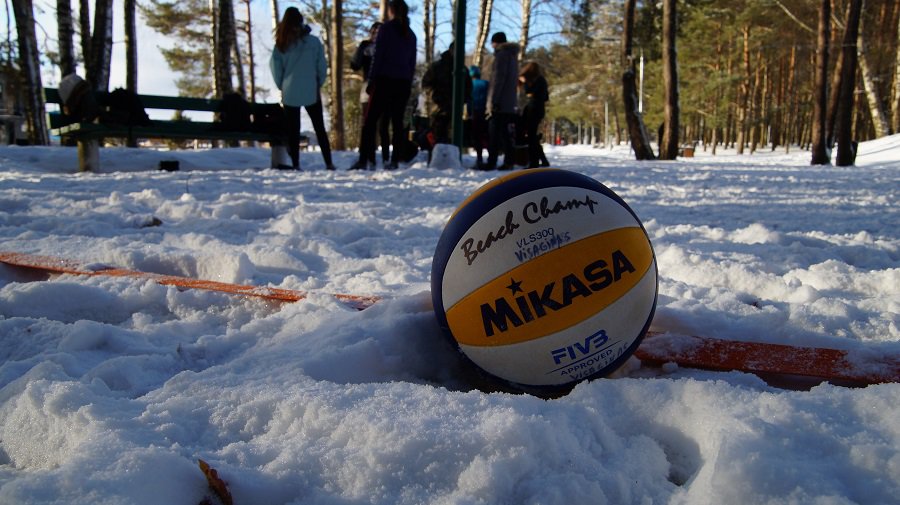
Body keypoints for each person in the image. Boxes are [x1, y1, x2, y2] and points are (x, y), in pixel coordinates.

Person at [350, 0, 417, 170]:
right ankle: (394, 160)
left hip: (384, 81)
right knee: (397, 122)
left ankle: (363, 159)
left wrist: (372, 80)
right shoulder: (410, 34)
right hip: (402, 83)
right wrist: (408, 84)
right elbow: (411, 63)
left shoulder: (386, 30)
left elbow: (378, 56)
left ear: (392, 11)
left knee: (370, 121)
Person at [270, 7, 335, 170]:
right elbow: (322, 65)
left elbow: (275, 68)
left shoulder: (281, 44)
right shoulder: (313, 42)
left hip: (290, 90)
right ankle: (328, 162)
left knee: (293, 130)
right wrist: (318, 82)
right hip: (311, 89)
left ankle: (296, 164)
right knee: (319, 127)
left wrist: (282, 85)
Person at [350, 21, 390, 166]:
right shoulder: (366, 47)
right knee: (368, 124)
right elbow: (355, 65)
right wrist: (361, 50)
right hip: (368, 88)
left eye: (378, 33)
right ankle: (369, 157)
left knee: (383, 125)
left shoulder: (387, 47)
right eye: (373, 32)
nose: (375, 35)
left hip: (385, 88)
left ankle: (386, 157)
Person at [481, 32, 519, 170]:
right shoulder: (512, 56)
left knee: (494, 133)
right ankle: (509, 160)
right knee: (505, 133)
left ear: (495, 43)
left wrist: (493, 101)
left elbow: (498, 79)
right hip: (509, 102)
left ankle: (492, 161)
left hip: (500, 103)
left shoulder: (501, 55)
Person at [422, 44, 472, 149]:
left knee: (451, 137)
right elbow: (426, 85)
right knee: (438, 135)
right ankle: (437, 159)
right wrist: (435, 98)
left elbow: (468, 89)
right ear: (450, 50)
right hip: (439, 108)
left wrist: (463, 101)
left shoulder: (463, 69)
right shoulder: (437, 67)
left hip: (455, 110)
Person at [518, 62, 550, 168]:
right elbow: (546, 97)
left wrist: (525, 82)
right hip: (539, 109)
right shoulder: (542, 80)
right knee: (533, 137)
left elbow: (529, 91)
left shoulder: (535, 80)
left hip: (533, 109)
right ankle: (542, 160)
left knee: (531, 137)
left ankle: (534, 162)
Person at [468, 65, 489, 166]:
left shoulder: (470, 85)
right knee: (485, 135)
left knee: (477, 136)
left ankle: (479, 157)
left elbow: (468, 100)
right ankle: (489, 157)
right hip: (485, 112)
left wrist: (469, 113)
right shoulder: (486, 84)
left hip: (475, 112)